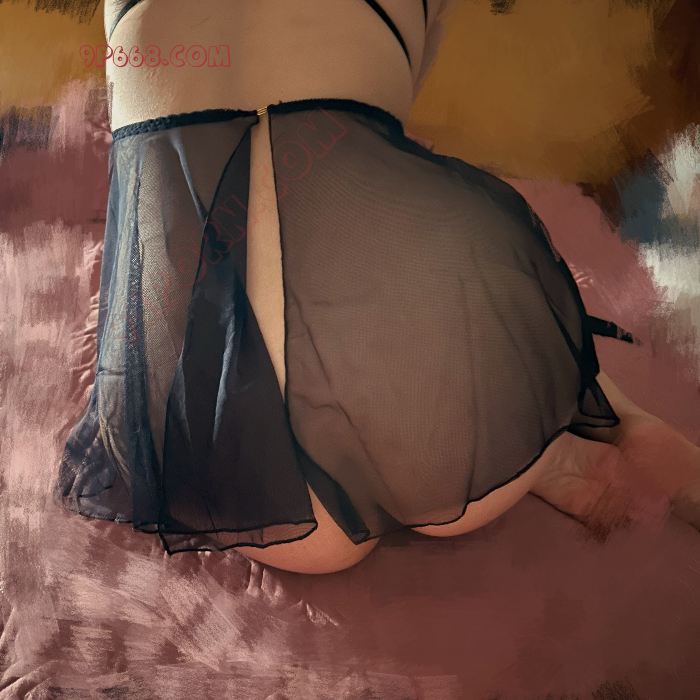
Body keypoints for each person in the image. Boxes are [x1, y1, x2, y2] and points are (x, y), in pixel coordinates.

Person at [56, 0, 700, 574]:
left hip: (198, 464)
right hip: (439, 441)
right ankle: (586, 423)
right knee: (408, 235)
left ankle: (541, 456)